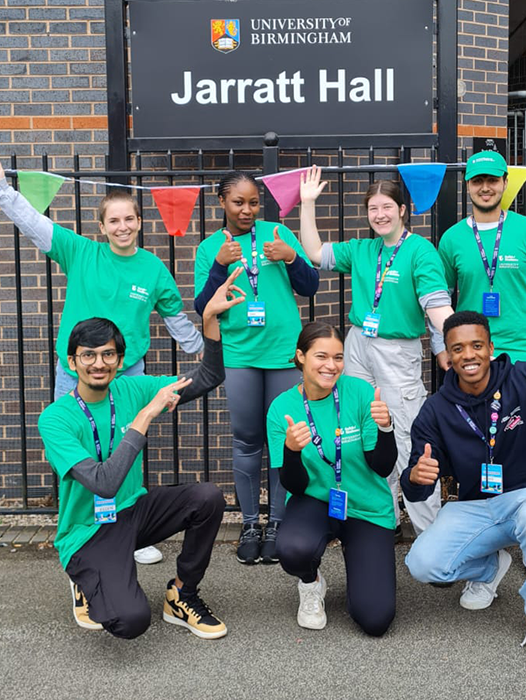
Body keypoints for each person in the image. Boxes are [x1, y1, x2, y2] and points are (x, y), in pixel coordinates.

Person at [0, 162, 205, 566]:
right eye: (114, 220)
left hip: (127, 377)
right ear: (102, 226)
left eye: (129, 218)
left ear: (140, 222)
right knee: (79, 454)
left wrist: (202, 345)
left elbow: (174, 315)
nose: (122, 226)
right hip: (74, 375)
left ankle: (131, 529)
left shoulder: (152, 267)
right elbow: (30, 221)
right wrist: (4, 192)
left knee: (127, 451)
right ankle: (77, 532)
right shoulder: (79, 252)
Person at [37, 269, 245, 640]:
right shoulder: (55, 419)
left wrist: (210, 321)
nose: (98, 363)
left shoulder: (132, 388)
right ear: (72, 362)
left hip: (133, 511)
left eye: (107, 355)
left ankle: (182, 594)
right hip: (88, 532)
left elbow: (209, 376)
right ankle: (85, 579)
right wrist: (146, 415)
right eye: (88, 356)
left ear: (119, 362)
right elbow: (104, 482)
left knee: (207, 498)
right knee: (130, 622)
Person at [400, 310, 526, 662]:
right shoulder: (436, 410)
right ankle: (491, 568)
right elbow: (418, 484)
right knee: (422, 563)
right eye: (457, 348)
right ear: (447, 354)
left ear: (491, 347)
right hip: (479, 508)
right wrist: (415, 478)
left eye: (477, 345)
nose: (468, 355)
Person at [299, 166, 453, 535]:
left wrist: (460, 340)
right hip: (357, 346)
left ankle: (430, 534)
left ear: (402, 210)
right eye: (373, 209)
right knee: (368, 431)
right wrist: (307, 205)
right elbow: (315, 252)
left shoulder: (420, 251)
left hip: (397, 352)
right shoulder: (363, 249)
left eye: (387, 207)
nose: (380, 215)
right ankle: (384, 519)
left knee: (406, 439)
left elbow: (437, 307)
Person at [194, 171, 319, 565]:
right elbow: (203, 307)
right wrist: (218, 267)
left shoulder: (278, 233)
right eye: (238, 202)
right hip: (240, 355)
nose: (247, 210)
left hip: (283, 352)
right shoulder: (210, 247)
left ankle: (278, 523)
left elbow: (310, 286)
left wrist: (292, 257)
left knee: (285, 437)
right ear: (221, 203)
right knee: (247, 439)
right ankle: (250, 523)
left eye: (253, 202)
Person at [266, 322, 398, 636]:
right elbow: (294, 485)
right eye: (321, 356)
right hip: (314, 500)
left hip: (366, 505)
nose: (331, 365)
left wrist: (386, 430)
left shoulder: (361, 393)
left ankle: (362, 585)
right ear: (300, 356)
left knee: (376, 619)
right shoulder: (281, 408)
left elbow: (381, 467)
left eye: (338, 357)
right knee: (292, 548)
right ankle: (311, 584)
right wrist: (292, 451)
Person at [436, 150, 526, 367]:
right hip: (471, 351)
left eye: (492, 180)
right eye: (477, 181)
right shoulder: (451, 239)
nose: (485, 188)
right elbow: (438, 299)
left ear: (505, 183)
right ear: (467, 186)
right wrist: (440, 347)